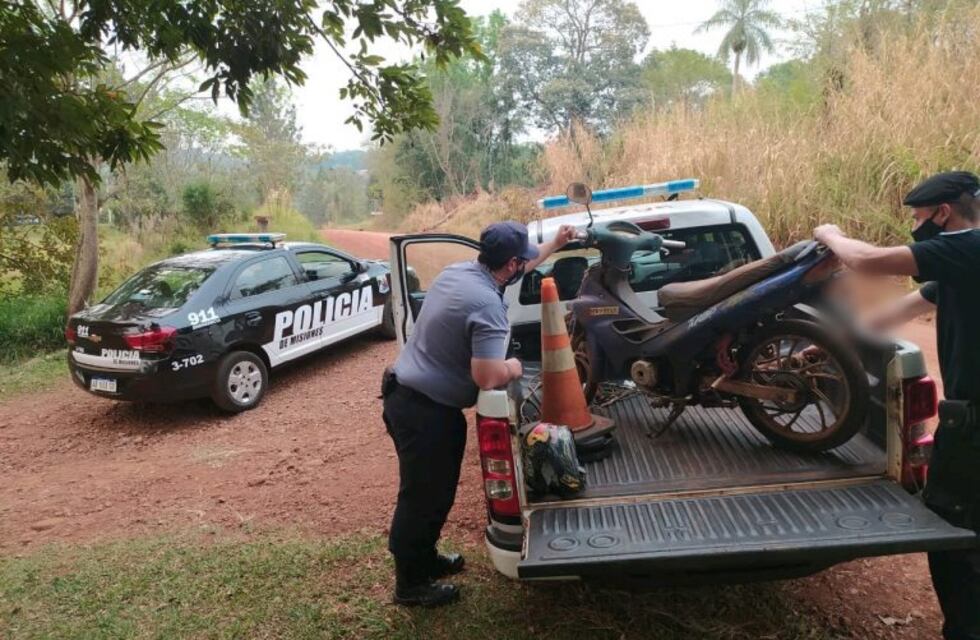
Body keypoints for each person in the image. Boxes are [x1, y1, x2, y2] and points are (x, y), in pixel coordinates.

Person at [814, 170, 980, 640]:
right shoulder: (960, 268)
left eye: (918, 217)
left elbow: (867, 261)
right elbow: (896, 312)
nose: (914, 225)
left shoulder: (968, 248)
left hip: (973, 434)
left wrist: (830, 235)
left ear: (943, 214)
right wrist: (827, 343)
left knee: (955, 536)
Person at [381, 220, 576, 607]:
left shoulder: (461, 272)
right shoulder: (486, 304)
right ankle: (410, 584)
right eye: (521, 261)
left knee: (436, 492)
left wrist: (556, 241)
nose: (525, 264)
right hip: (424, 411)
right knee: (422, 497)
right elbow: (486, 375)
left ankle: (425, 558)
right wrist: (515, 367)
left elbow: (529, 259)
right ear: (509, 266)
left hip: (412, 398)